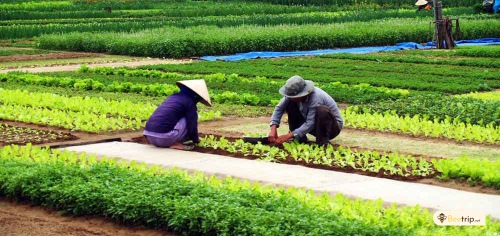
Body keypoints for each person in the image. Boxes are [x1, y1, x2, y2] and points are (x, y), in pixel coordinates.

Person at [268, 75, 343, 146]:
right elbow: (279, 108)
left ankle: (322, 142)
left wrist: (288, 136)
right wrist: (273, 129)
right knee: (291, 104)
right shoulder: (292, 96)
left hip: (331, 128)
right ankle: (299, 138)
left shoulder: (316, 97)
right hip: (313, 127)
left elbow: (310, 123)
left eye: (294, 96)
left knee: (322, 111)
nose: (291, 98)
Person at [143, 79, 211, 150]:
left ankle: (171, 138)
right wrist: (196, 140)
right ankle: (179, 145)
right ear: (196, 95)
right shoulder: (189, 102)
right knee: (188, 118)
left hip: (149, 136)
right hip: (164, 139)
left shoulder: (173, 97)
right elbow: (192, 125)